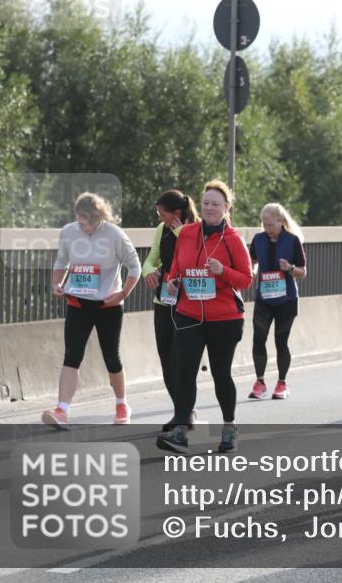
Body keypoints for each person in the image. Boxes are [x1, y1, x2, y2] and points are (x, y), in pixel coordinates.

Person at [157, 180, 253, 454]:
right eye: (206, 203)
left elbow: (246, 280)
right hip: (188, 313)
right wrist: (173, 280)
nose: (210, 208)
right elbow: (175, 267)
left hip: (224, 318)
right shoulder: (187, 234)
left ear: (226, 208)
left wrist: (223, 270)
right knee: (184, 371)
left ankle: (229, 426)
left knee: (221, 373)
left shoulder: (233, 239)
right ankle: (180, 430)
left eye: (216, 204)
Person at [42, 193, 141, 428]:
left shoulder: (114, 234)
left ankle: (121, 404)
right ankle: (62, 410)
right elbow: (61, 261)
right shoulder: (68, 232)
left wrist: (123, 293)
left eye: (85, 222)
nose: (82, 226)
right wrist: (57, 283)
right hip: (78, 301)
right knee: (72, 355)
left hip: (108, 304)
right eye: (78, 221)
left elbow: (134, 266)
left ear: (98, 218)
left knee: (111, 357)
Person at [142, 190, 200, 431]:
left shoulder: (196, 229)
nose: (160, 217)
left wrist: (178, 231)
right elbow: (151, 259)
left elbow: (198, 257)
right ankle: (182, 411)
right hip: (164, 300)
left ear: (177, 213)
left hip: (189, 303)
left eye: (162, 213)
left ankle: (185, 413)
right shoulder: (160, 229)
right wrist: (149, 272)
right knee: (166, 359)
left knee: (183, 359)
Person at [247, 204, 307, 400]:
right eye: (264, 225)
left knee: (281, 341)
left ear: (281, 222)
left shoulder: (292, 240)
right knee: (258, 338)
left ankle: (282, 383)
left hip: (286, 300)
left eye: (271, 225)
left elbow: (302, 272)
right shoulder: (258, 239)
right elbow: (252, 261)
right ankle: (260, 382)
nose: (267, 229)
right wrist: (253, 273)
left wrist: (289, 268)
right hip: (264, 299)